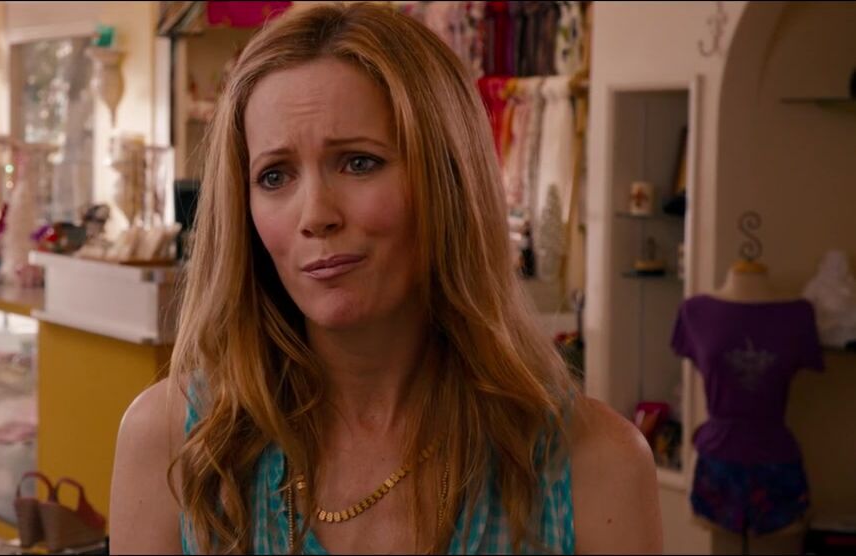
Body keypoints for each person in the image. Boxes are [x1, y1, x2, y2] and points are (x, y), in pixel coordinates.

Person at [109, 3, 661, 554]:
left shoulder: (594, 466)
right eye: (275, 176)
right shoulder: (174, 443)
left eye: (358, 163)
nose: (315, 214)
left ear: (448, 178)